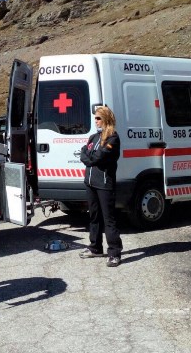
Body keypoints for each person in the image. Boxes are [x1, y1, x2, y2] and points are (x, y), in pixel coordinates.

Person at [79, 106, 123, 267]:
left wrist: (87, 156)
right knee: (94, 217)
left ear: (106, 119)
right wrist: (87, 156)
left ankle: (114, 252)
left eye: (98, 118)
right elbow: (84, 152)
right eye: (95, 118)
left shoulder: (113, 138)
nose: (95, 121)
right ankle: (95, 247)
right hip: (90, 182)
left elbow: (96, 158)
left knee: (108, 220)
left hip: (104, 184)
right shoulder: (93, 137)